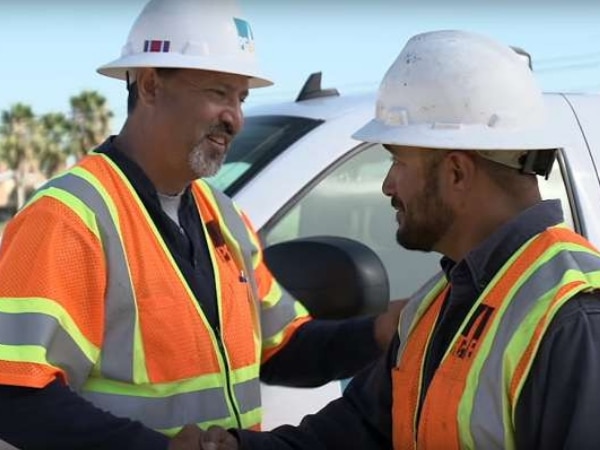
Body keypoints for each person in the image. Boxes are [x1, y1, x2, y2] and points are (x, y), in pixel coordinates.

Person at [0, 1, 403, 449]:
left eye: (241, 97)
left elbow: (281, 348)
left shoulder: (223, 215)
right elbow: (14, 392)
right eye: (218, 92)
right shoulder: (70, 218)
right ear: (151, 85)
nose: (234, 117)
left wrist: (381, 331)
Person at [198, 30, 600, 450]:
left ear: (457, 173)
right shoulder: (437, 304)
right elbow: (353, 432)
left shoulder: (573, 319)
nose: (389, 185)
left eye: (398, 161)